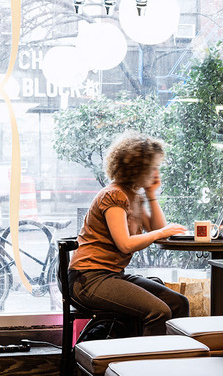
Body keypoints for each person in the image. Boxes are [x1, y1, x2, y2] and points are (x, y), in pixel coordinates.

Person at [69, 132, 189, 335]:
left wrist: (151, 194)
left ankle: (175, 351)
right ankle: (147, 355)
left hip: (112, 275)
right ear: (137, 169)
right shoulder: (113, 195)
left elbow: (158, 230)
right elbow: (125, 244)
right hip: (89, 279)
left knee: (178, 303)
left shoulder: (135, 196)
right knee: (158, 312)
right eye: (152, 168)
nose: (156, 173)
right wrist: (160, 232)